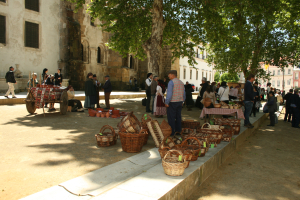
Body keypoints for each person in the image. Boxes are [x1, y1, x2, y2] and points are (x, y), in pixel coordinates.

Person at [165, 70, 186, 136]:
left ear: (172, 75)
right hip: (179, 102)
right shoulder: (181, 82)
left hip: (172, 102)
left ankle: (172, 132)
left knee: (171, 118)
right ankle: (178, 131)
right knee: (178, 117)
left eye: (169, 74)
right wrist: (182, 101)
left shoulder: (171, 82)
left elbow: (169, 94)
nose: (168, 76)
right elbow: (184, 93)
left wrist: (167, 102)